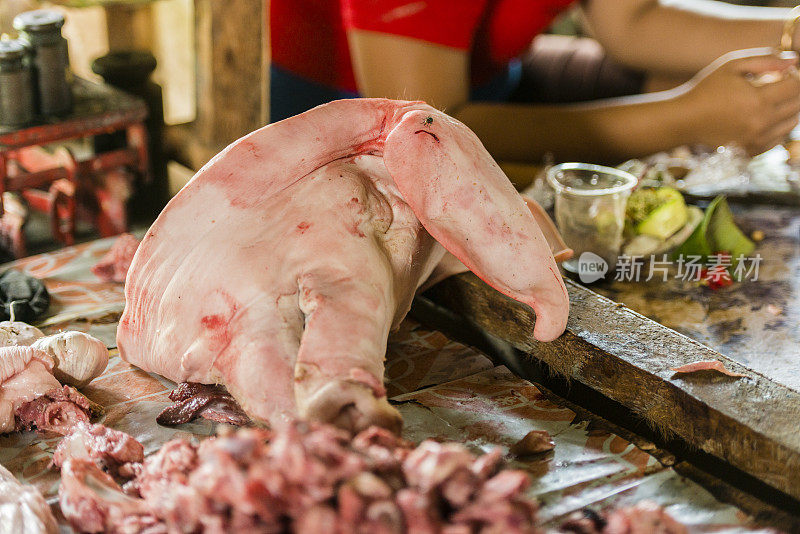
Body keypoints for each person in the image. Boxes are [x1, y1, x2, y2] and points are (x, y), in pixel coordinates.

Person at [270, 1, 800, 164]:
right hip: (344, 133)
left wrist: (790, 31)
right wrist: (688, 116)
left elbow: (632, 23)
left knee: (683, 79)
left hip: (493, 82)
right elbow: (421, 130)